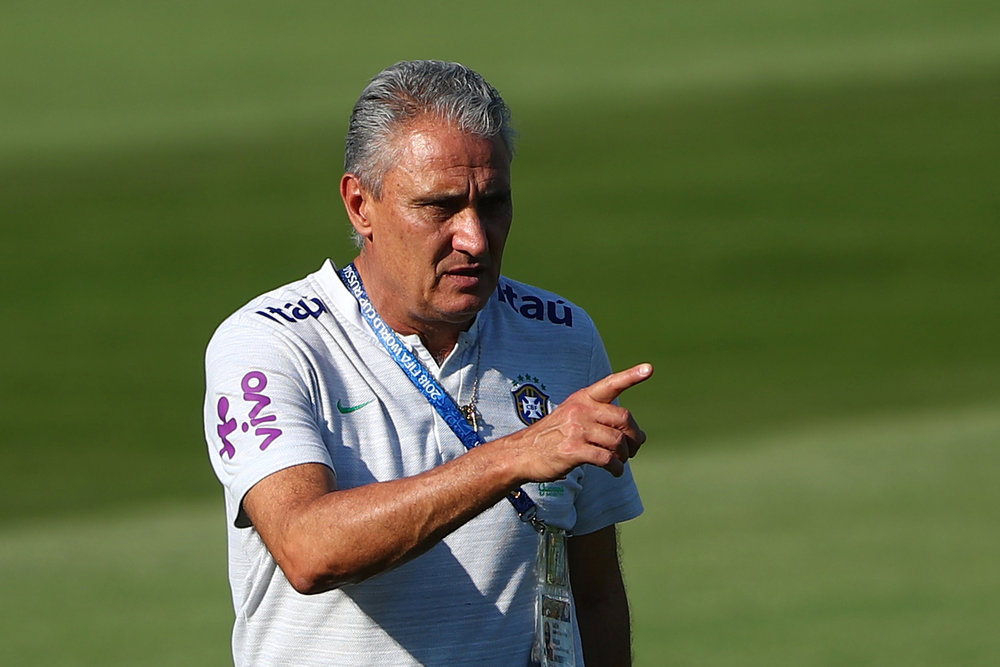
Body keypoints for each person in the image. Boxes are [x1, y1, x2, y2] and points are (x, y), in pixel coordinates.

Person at [203, 59, 653, 666]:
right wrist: (518, 454)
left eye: (492, 203)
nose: (474, 237)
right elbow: (308, 549)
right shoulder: (270, 343)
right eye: (439, 207)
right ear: (360, 205)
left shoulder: (562, 336)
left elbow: (595, 594)